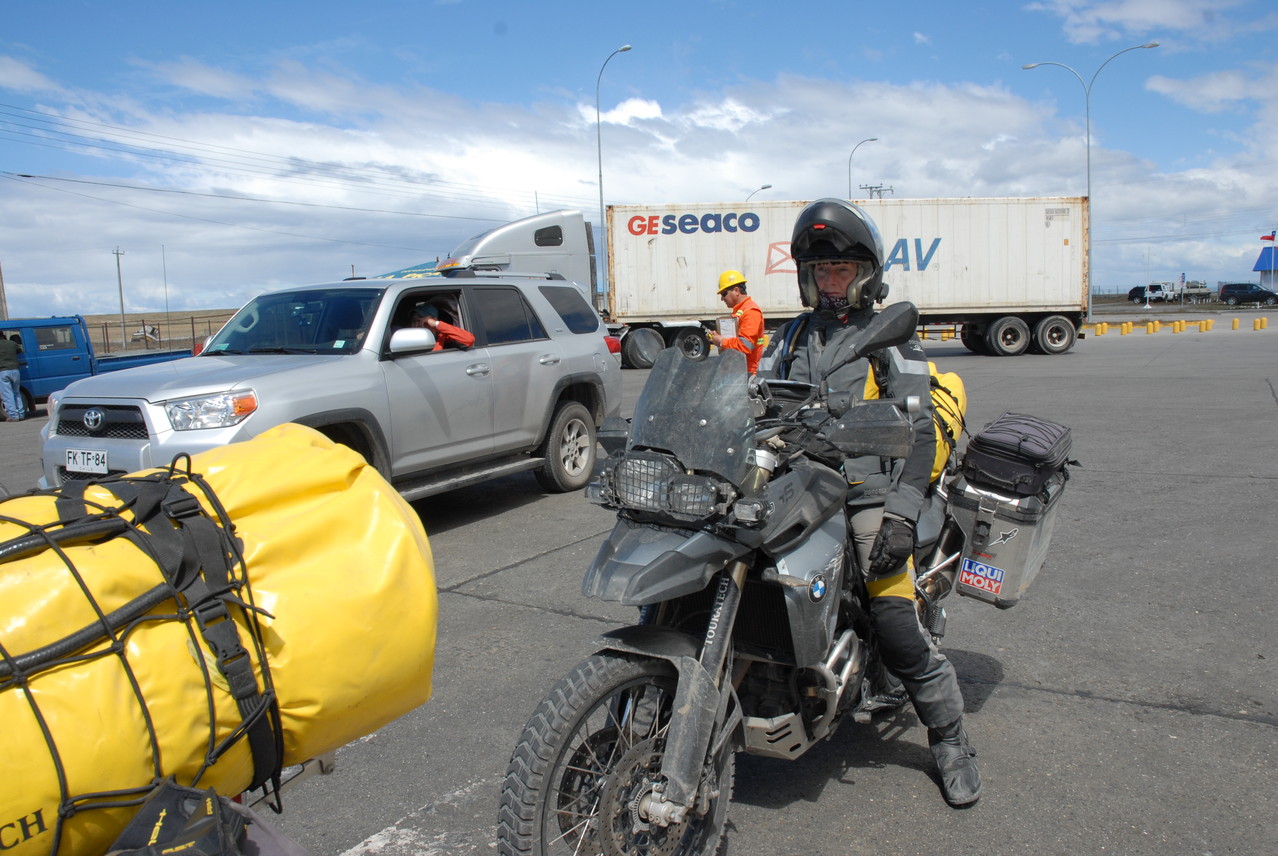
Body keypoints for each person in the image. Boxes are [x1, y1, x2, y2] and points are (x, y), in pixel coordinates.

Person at [760, 198, 980, 807]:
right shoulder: (791, 336)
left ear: (865, 275)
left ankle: (949, 736)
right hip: (798, 480)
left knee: (893, 617)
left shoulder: (889, 336)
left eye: (842, 271)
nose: (832, 283)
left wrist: (903, 515)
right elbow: (758, 401)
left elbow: (922, 431)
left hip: (867, 490)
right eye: (822, 272)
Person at [706, 270, 765, 374]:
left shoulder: (750, 312)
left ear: (737, 291)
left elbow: (745, 346)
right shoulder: (740, 311)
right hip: (738, 370)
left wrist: (721, 341)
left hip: (748, 372)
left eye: (724, 294)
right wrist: (716, 337)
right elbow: (735, 339)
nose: (722, 299)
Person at [0, 333, 24, 422]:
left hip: (3, 371)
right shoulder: (12, 344)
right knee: (16, 393)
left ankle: (14, 416)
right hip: (15, 370)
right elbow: (20, 351)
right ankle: (21, 414)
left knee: (7, 394)